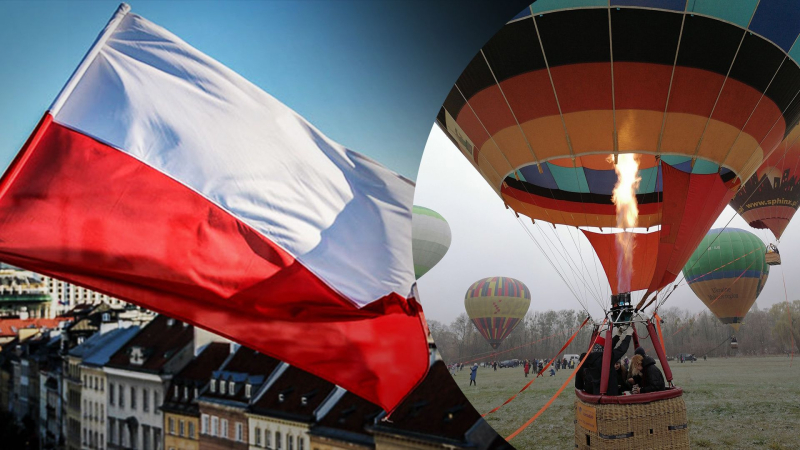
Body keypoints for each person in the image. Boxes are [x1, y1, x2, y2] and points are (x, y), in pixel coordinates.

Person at [575, 325, 634, 395]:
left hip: (597, 392)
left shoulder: (590, 359)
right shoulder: (607, 358)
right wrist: (628, 335)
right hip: (610, 393)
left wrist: (617, 336)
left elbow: (608, 347)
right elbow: (622, 349)